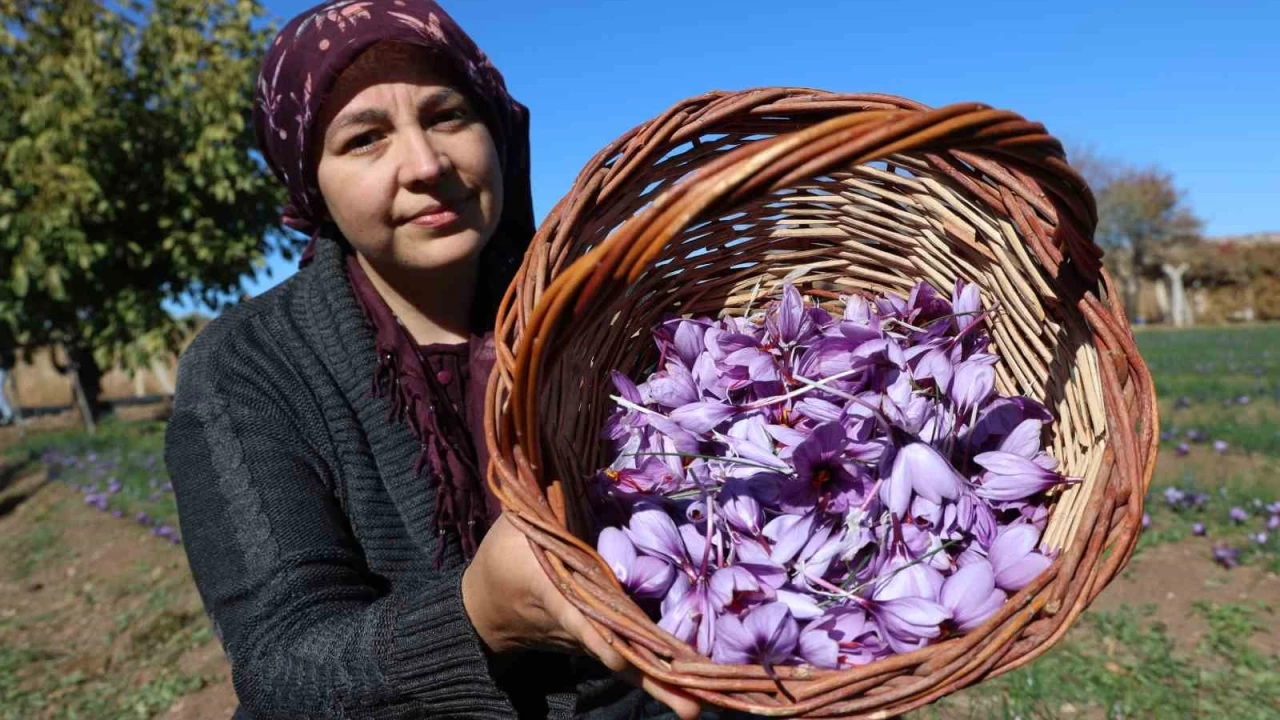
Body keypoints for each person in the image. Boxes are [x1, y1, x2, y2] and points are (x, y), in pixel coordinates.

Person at [163, 2, 703, 718]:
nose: (425, 165)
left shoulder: (603, 314)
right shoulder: (247, 367)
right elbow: (283, 669)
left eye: (448, 115)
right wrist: (477, 615)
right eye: (364, 139)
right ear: (310, 181)